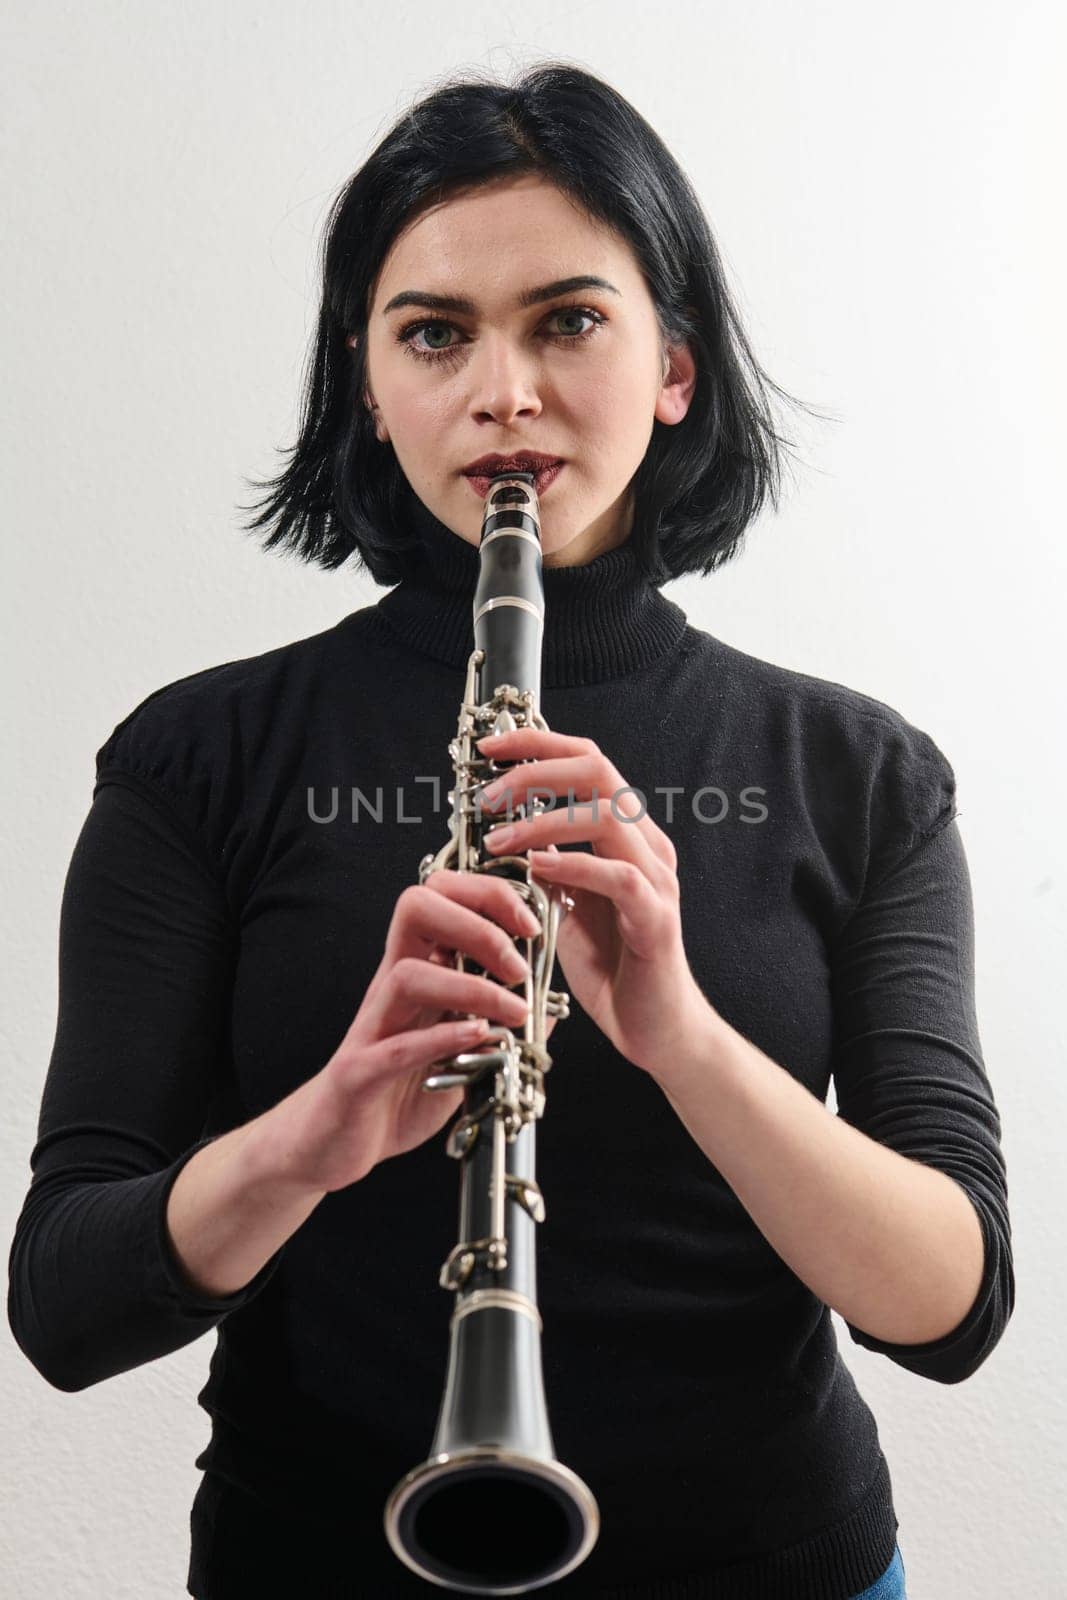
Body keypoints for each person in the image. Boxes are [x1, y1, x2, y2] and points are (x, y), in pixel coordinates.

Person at [6, 61, 1012, 1600]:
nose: (503, 393)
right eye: (435, 333)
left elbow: (952, 1308)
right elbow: (68, 1308)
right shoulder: (199, 758)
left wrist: (679, 1032)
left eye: (570, 320)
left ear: (676, 365)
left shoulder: (860, 770)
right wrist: (315, 1134)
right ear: (369, 377)